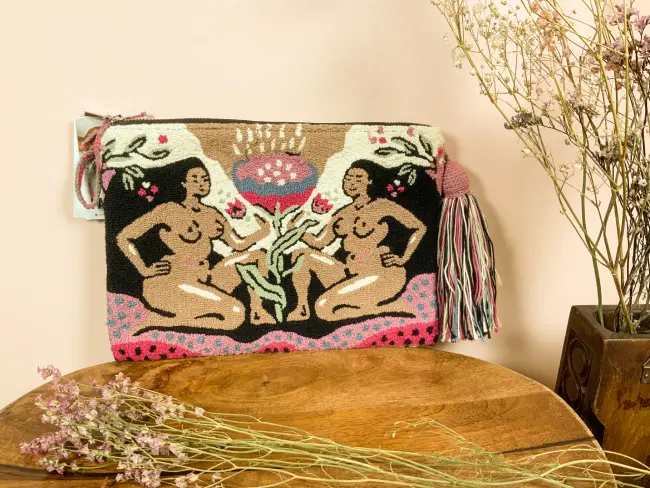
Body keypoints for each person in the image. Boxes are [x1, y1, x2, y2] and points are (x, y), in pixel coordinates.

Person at [116, 158, 274, 329]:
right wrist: (144, 269)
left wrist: (262, 232)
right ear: (183, 183)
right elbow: (124, 237)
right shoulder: (170, 210)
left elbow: (237, 244)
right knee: (235, 313)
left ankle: (258, 310)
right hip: (171, 281)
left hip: (205, 276)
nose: (201, 183)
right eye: (195, 179)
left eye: (205, 179)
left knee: (259, 256)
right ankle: (161, 321)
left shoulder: (212, 214)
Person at [287, 160, 426, 322]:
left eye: (358, 178)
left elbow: (419, 227)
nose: (351, 182)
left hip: (380, 275)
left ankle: (387, 308)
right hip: (350, 272)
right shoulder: (342, 214)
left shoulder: (382, 206)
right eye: (348, 178)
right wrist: (295, 231)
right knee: (301, 255)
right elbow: (319, 242)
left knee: (323, 308)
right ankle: (301, 308)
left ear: (370, 181)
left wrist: (403, 258)